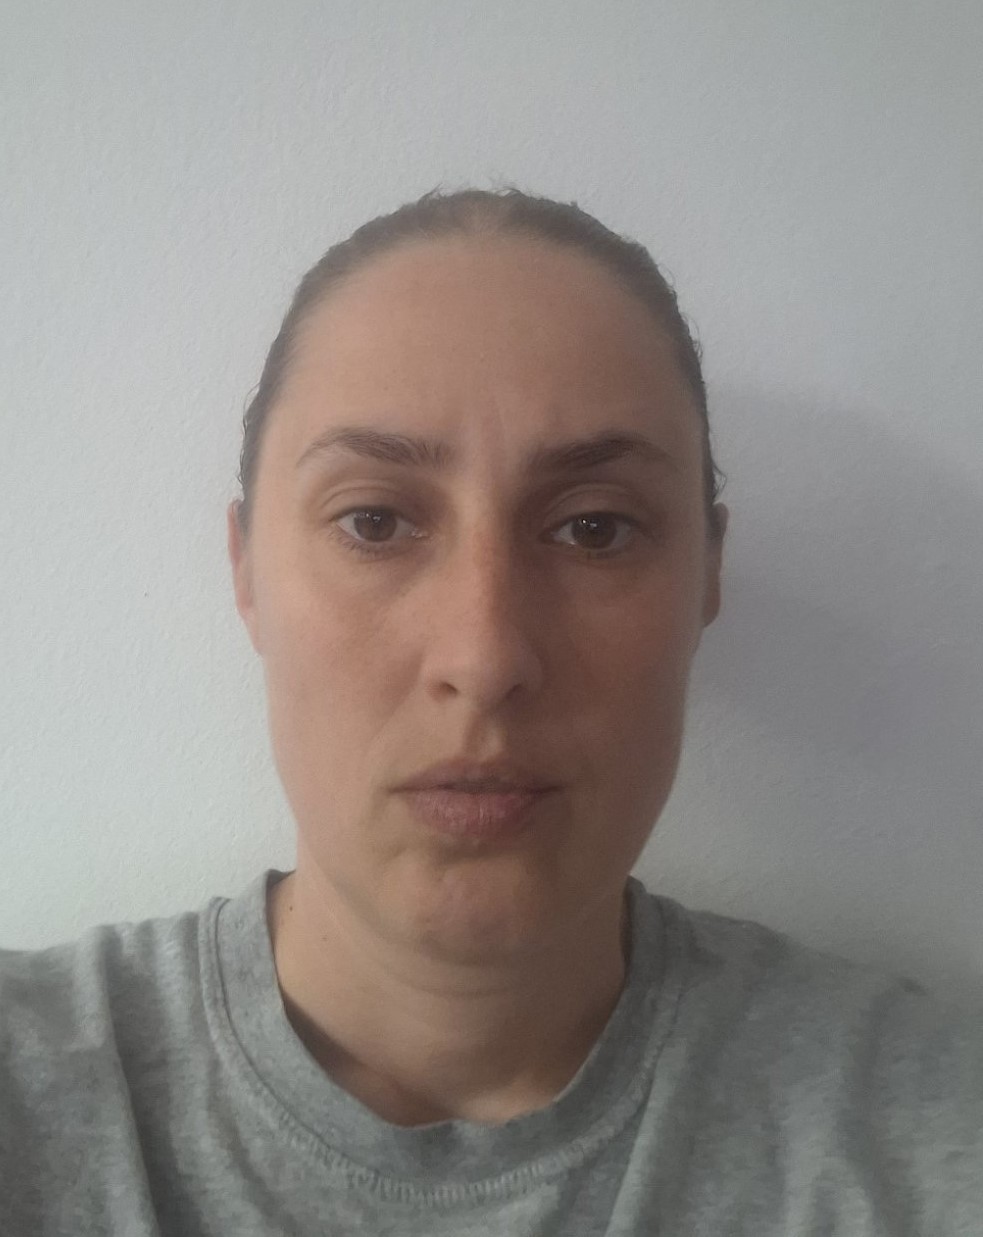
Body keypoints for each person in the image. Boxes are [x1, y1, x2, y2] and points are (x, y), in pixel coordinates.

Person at [1, 187, 980, 1235]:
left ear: (707, 574)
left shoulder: (920, 1125)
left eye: (594, 529)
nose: (485, 657)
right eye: (374, 521)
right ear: (246, 570)